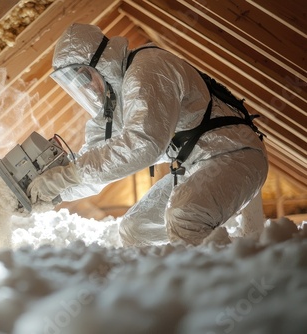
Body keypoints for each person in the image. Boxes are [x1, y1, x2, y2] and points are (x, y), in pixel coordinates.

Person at [27, 23, 268, 246]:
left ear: (100, 61)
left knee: (185, 217)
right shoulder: (115, 103)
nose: (83, 86)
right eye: (73, 81)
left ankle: (229, 279)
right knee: (136, 228)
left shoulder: (148, 70)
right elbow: (98, 164)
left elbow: (142, 145)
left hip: (234, 154)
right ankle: (158, 286)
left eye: (82, 76)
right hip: (194, 166)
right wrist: (54, 194)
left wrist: (67, 175)